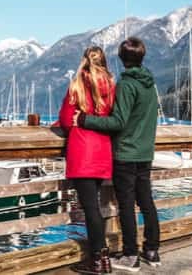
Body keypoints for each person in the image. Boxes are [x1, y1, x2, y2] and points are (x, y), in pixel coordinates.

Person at [74, 37, 161, 272]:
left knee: (126, 206)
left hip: (126, 154)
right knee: (146, 202)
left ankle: (131, 255)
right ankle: (152, 250)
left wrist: (84, 119)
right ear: (141, 57)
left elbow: (118, 122)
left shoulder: (126, 85)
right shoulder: (149, 84)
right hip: (145, 153)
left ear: (122, 59)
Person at [59, 46, 115, 275]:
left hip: (82, 152)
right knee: (96, 207)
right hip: (102, 151)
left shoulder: (77, 85)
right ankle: (102, 258)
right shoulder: (111, 85)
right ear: (104, 61)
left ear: (84, 61)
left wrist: (76, 120)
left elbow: (64, 120)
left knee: (90, 208)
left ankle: (99, 260)